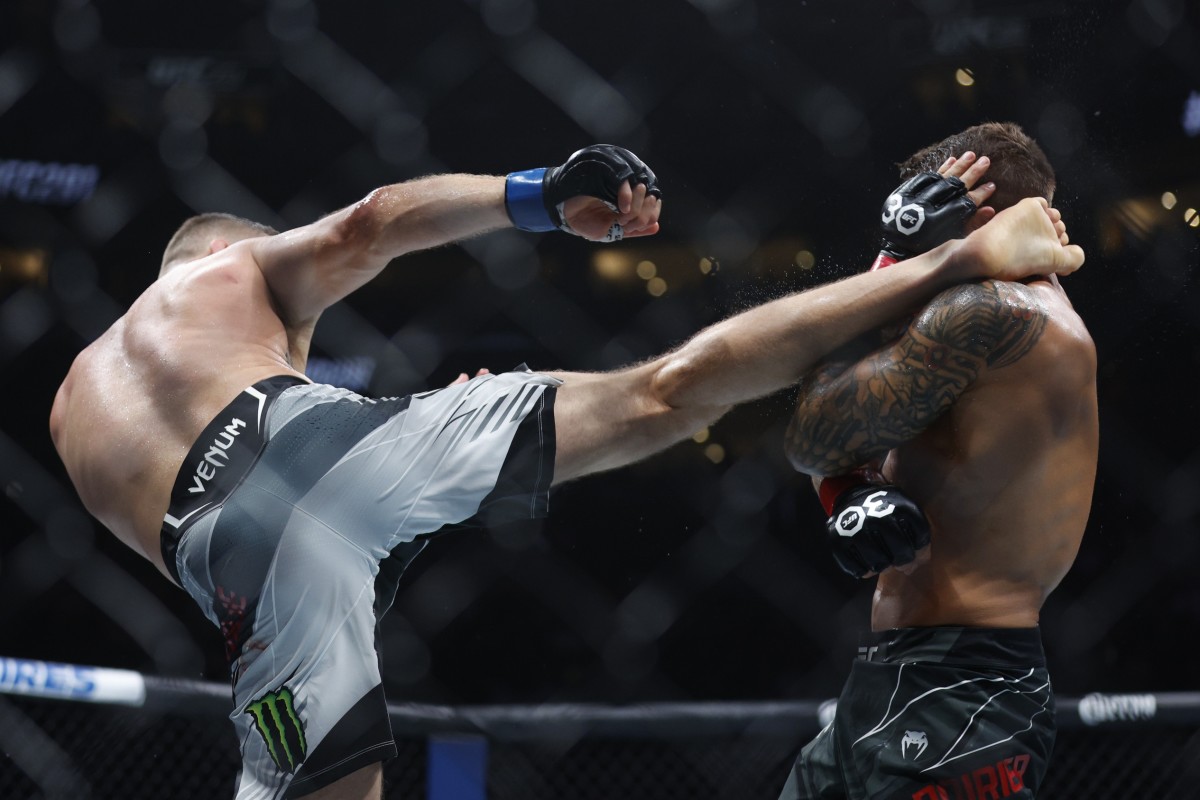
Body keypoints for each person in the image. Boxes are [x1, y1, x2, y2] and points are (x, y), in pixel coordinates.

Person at [48, 142, 1082, 800]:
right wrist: (535, 194)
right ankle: (953, 256)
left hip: (227, 560)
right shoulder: (229, 267)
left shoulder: (69, 405)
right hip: (313, 443)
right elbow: (371, 222)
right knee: (666, 392)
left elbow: (265, 531)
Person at [777, 123, 1099, 800]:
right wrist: (847, 489)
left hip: (966, 689)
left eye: (931, 204)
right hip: (891, 675)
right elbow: (834, 448)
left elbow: (814, 431)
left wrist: (894, 254)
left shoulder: (995, 313)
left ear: (971, 213)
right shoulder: (1005, 317)